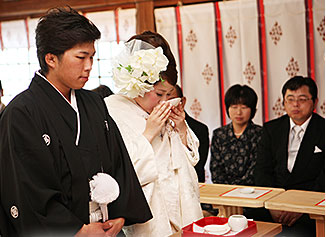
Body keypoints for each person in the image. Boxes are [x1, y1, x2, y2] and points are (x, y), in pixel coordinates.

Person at [0, 7, 152, 236]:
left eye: (91, 57)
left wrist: (120, 214)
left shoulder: (94, 102)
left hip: (106, 227)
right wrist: (78, 230)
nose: (89, 65)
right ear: (50, 58)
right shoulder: (21, 112)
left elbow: (118, 161)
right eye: (81, 57)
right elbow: (26, 188)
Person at [105, 31, 203, 237]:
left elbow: (191, 160)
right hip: (151, 209)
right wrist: (149, 132)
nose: (164, 101)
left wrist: (182, 128)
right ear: (138, 85)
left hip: (184, 200)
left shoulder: (161, 107)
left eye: (169, 95)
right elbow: (119, 171)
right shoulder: (113, 109)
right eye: (159, 94)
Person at [254, 76, 324, 236]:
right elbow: (262, 171)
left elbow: (323, 178)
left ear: (315, 101)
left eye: (302, 99)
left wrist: (302, 208)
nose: (295, 104)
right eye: (290, 99)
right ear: (283, 102)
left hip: (310, 212)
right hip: (273, 208)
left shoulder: (323, 129)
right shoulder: (272, 129)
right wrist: (272, 205)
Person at [210, 84, 262, 186]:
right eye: (234, 107)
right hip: (224, 192)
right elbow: (216, 168)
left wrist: (237, 188)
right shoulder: (219, 134)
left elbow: (256, 169)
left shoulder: (260, 134)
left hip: (252, 191)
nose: (238, 112)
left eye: (244, 107)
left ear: (253, 110)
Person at [168, 84, 209, 183]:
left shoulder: (200, 129)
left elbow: (197, 164)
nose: (167, 104)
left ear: (183, 101)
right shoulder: (153, 125)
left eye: (172, 100)